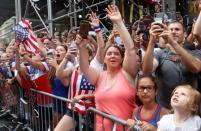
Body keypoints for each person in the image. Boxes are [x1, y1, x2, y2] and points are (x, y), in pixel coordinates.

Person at [77, 5, 138, 130]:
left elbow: (130, 49)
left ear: (122, 59)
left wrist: (119, 22)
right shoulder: (99, 76)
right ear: (104, 59)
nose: (112, 56)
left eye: (116, 54)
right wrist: (82, 48)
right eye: (109, 53)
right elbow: (85, 68)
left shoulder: (127, 73)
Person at [142, 21, 201, 109]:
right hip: (165, 108)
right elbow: (147, 70)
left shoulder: (195, 52)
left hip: (189, 108)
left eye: (177, 29)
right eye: (171, 29)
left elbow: (195, 68)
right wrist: (152, 41)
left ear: (185, 34)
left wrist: (173, 43)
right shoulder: (160, 53)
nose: (173, 32)